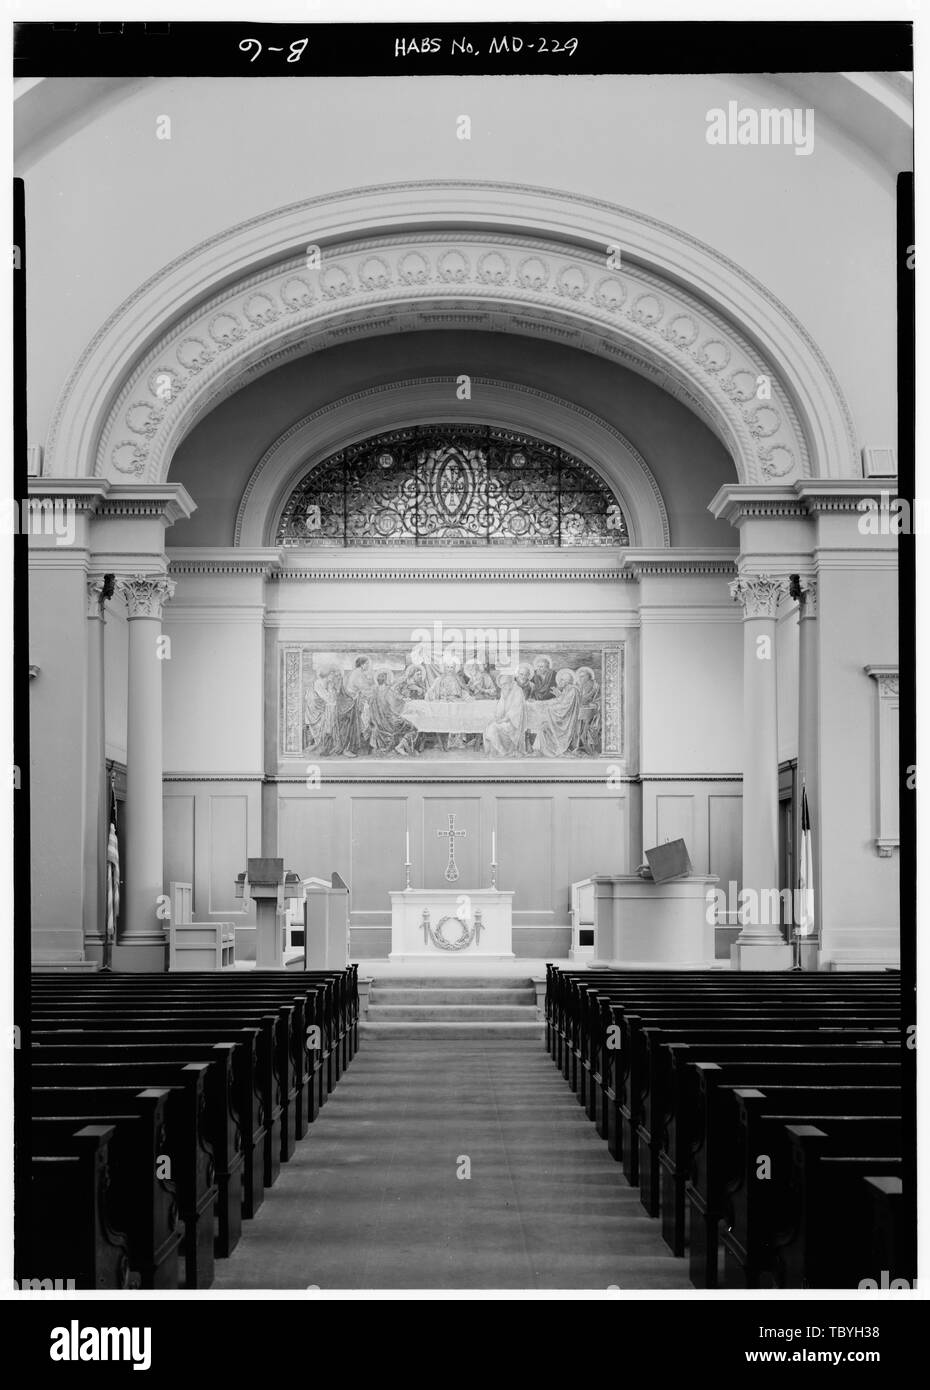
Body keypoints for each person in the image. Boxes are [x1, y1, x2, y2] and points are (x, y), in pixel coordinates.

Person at [534, 668, 581, 756]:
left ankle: (551, 750)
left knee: (544, 725)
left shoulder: (573, 690)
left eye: (562, 680)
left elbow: (564, 707)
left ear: (568, 681)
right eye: (560, 679)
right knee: (542, 725)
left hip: (565, 720)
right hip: (562, 717)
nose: (559, 682)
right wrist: (541, 703)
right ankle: (544, 749)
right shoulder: (567, 689)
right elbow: (558, 700)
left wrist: (549, 708)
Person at [483, 672, 527, 757]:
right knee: (489, 727)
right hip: (505, 720)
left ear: (510, 682)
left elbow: (516, 709)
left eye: (505, 683)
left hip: (514, 723)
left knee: (492, 728)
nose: (503, 686)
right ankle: (502, 751)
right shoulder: (505, 690)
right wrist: (497, 717)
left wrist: (503, 719)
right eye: (502, 684)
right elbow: (500, 706)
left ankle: (504, 751)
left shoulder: (518, 690)